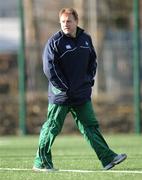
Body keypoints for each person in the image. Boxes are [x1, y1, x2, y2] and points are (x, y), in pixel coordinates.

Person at [33, 7, 127, 172]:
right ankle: (41, 162)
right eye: (63, 21)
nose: (66, 24)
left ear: (76, 21)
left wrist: (88, 81)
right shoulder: (54, 42)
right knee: (52, 127)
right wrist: (65, 88)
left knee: (91, 126)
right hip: (61, 95)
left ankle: (107, 158)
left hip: (81, 95)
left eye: (69, 21)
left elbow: (92, 62)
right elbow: (50, 70)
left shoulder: (86, 39)